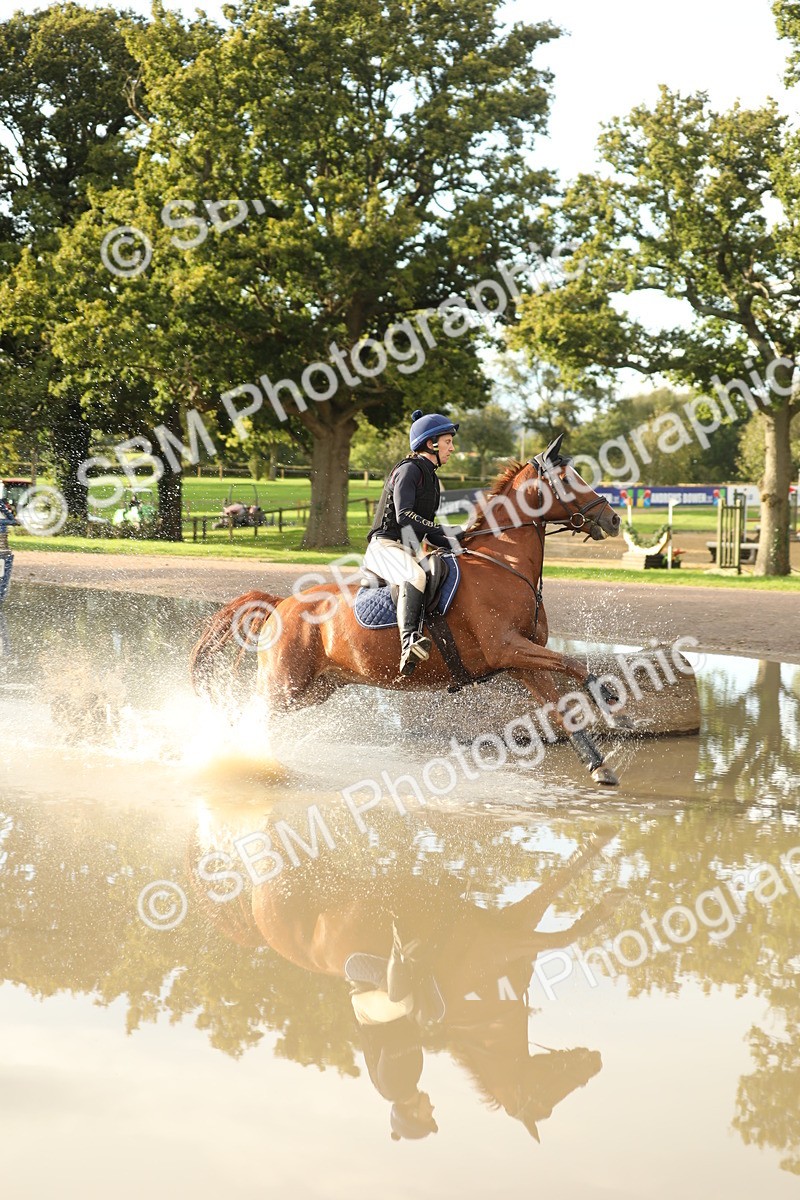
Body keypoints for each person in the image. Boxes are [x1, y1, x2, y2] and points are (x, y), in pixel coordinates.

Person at [364, 410, 462, 675]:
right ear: (431, 444)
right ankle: (409, 641)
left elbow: (429, 530)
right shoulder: (409, 470)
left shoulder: (431, 478)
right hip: (384, 547)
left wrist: (461, 542)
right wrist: (447, 530)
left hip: (405, 548)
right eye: (448, 441)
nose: (452, 448)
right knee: (415, 575)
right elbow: (404, 516)